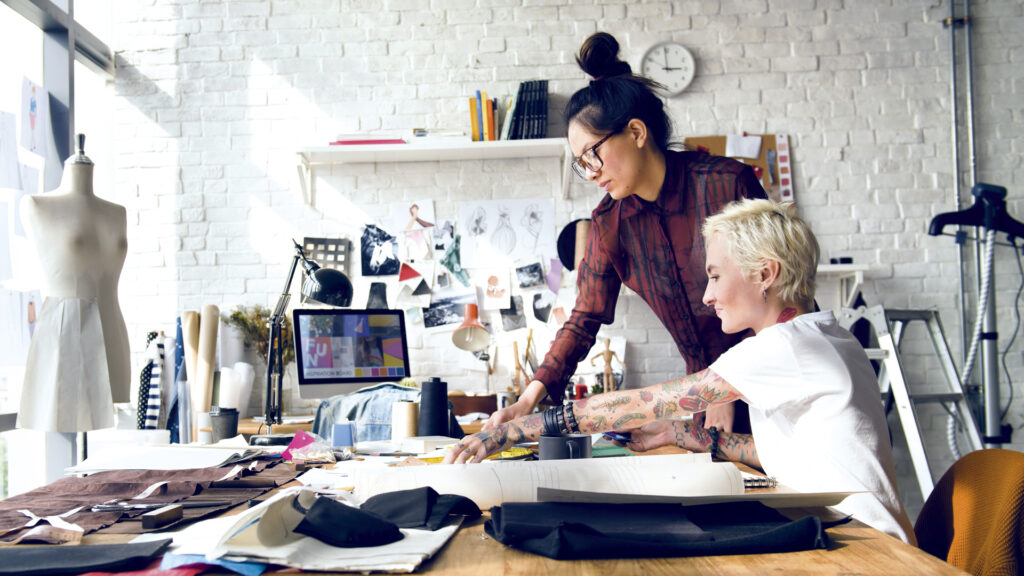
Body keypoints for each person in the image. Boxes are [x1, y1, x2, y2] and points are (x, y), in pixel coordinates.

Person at [446, 199, 916, 545]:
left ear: (764, 274)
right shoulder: (825, 333)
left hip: (870, 551)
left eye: (714, 275)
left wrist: (516, 430)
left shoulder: (787, 346)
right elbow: (793, 455)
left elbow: (641, 401)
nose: (707, 296)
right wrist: (681, 434)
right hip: (860, 534)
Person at [486, 31, 766, 434]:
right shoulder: (609, 222)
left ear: (636, 133)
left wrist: (730, 386)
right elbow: (585, 317)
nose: (591, 171)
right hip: (702, 400)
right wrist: (529, 398)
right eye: (581, 164)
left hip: (766, 383)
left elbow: (784, 298)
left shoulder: (727, 185)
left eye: (592, 154)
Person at [18, 135, 130, 432]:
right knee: (65, 422)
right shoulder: (37, 206)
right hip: (66, 330)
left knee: (105, 420)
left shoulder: (117, 212)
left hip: (111, 330)